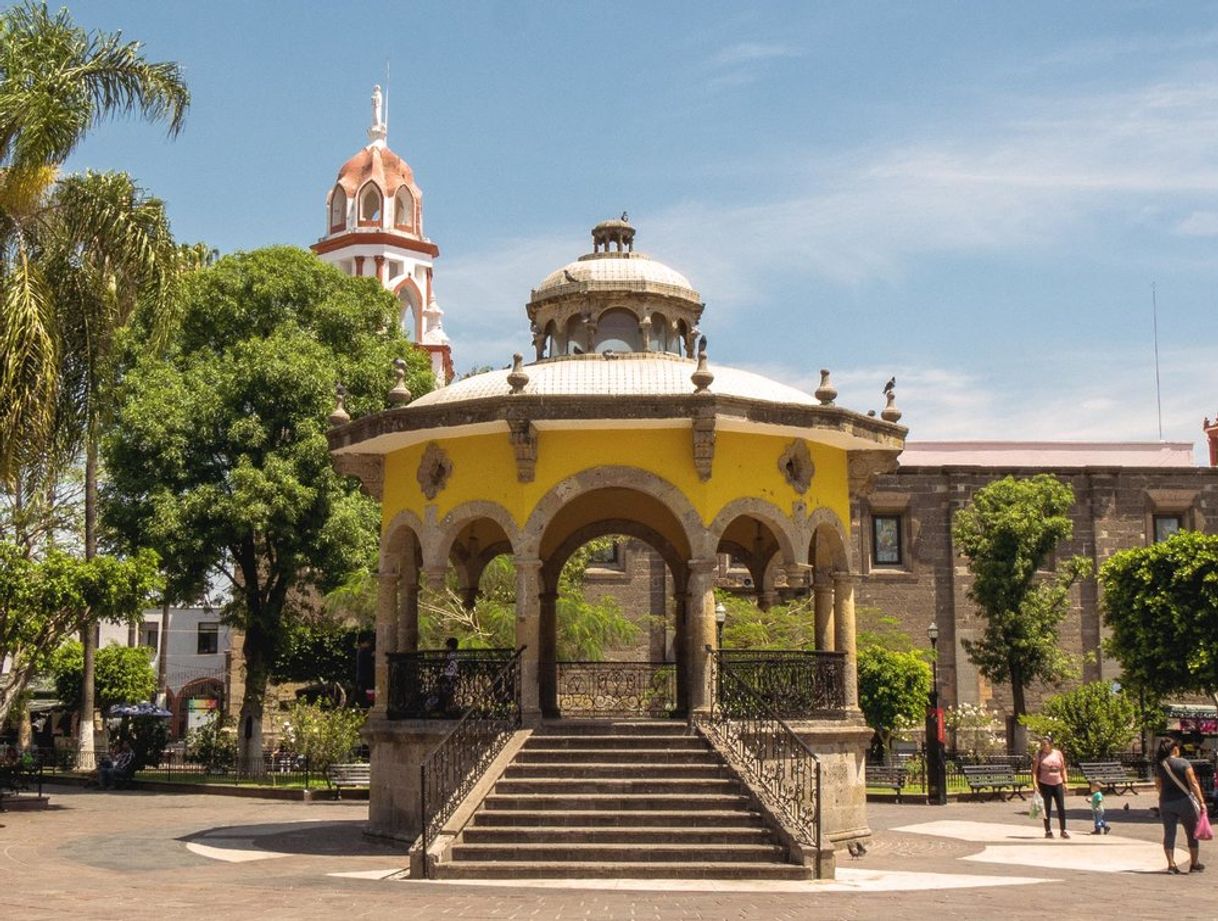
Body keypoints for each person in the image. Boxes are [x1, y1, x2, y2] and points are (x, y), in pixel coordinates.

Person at [1155, 736, 1207, 874]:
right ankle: (1194, 863)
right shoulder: (1183, 763)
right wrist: (1201, 801)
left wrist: (1164, 795)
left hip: (1166, 802)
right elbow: (1193, 783)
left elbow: (1158, 784)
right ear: (1174, 749)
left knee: (1169, 833)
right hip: (1185, 801)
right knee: (1191, 832)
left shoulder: (1160, 765)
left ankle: (1171, 864)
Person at [1033, 737, 1070, 839]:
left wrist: (1065, 782)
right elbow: (1034, 771)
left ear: (1051, 744)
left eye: (1046, 744)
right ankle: (1048, 830)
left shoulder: (1058, 753)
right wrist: (1035, 784)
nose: (1044, 746)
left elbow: (1063, 768)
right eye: (1042, 744)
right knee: (1047, 808)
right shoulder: (1039, 754)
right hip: (1045, 783)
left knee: (1061, 807)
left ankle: (1063, 830)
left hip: (1057, 782)